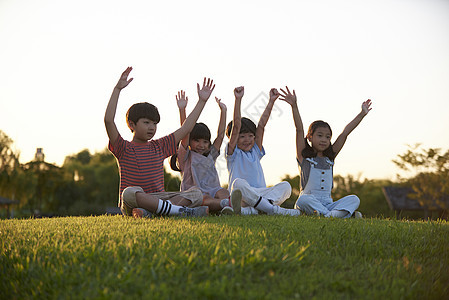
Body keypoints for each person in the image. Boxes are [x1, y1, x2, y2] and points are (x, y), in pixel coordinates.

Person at [105, 66, 215, 218]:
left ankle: (153, 213)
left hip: (159, 198)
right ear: (131, 124)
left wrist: (202, 101)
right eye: (146, 122)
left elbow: (186, 128)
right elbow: (108, 120)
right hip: (136, 201)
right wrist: (117, 89)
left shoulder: (159, 146)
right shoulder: (123, 148)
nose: (151, 127)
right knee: (129, 192)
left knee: (196, 193)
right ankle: (175, 211)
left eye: (154, 124)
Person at [279, 86, 372, 218]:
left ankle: (328, 214)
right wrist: (294, 106)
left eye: (328, 137)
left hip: (328, 204)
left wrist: (362, 114)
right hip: (309, 202)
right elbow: (299, 129)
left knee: (354, 199)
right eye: (320, 135)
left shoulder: (330, 157)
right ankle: (336, 216)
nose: (324, 140)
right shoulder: (303, 156)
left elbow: (345, 133)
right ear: (310, 137)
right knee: (302, 200)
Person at [226, 86, 300, 216]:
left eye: (250, 136)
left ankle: (253, 211)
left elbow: (261, 126)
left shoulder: (255, 151)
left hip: (262, 194)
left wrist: (271, 101)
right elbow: (236, 126)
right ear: (234, 138)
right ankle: (271, 210)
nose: (247, 139)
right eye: (242, 136)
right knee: (237, 184)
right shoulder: (233, 153)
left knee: (286, 186)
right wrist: (238, 100)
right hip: (243, 195)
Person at [170, 91, 242, 214]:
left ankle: (225, 207)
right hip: (194, 195)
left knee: (223, 192)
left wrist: (223, 111)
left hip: (213, 191)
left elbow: (220, 136)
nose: (201, 145)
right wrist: (182, 110)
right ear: (190, 142)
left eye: (205, 142)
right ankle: (226, 205)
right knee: (205, 199)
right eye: (196, 141)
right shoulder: (186, 157)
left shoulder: (210, 156)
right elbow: (185, 132)